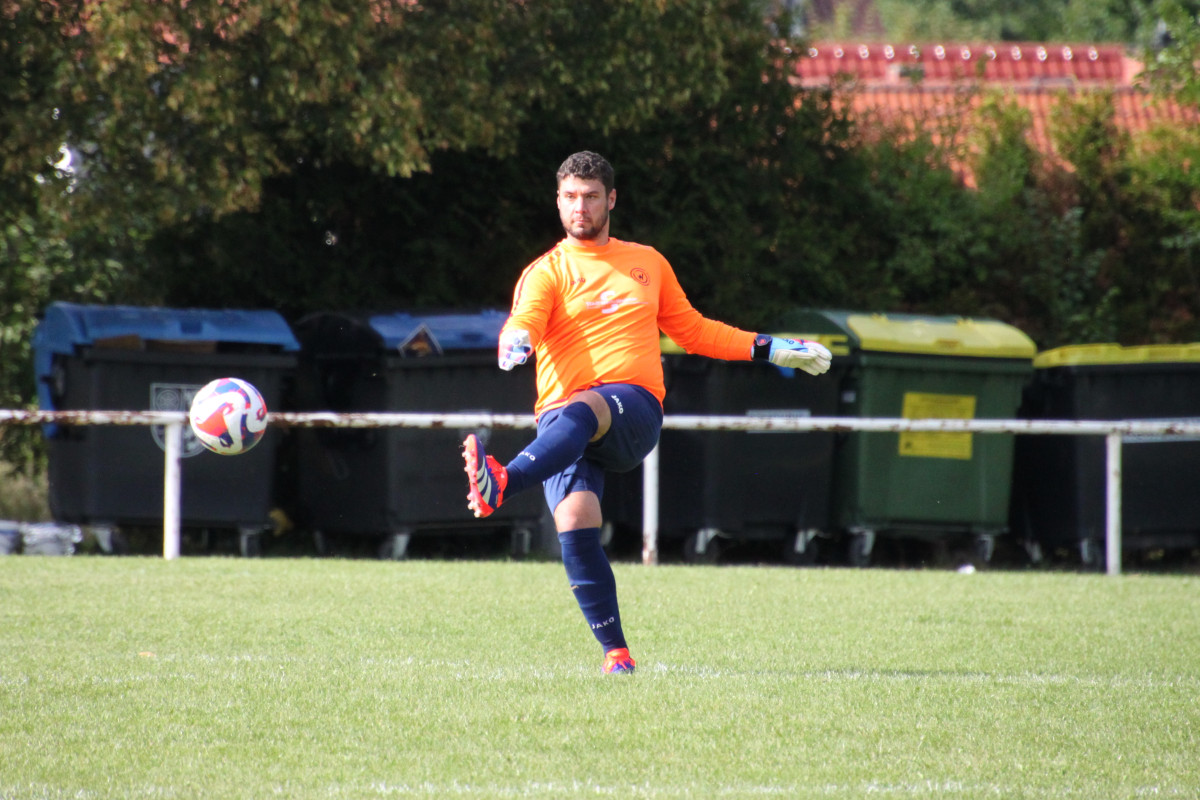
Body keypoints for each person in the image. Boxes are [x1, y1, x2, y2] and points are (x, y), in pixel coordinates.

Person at [462, 151, 831, 675]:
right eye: (569, 196)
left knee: (588, 404)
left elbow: (696, 330)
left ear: (611, 199)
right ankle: (618, 655)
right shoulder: (545, 272)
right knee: (575, 519)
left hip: (631, 407)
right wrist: (515, 340)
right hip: (561, 423)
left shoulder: (648, 263)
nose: (579, 207)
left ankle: (502, 481)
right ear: (558, 201)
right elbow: (525, 319)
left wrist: (768, 347)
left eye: (590, 196)